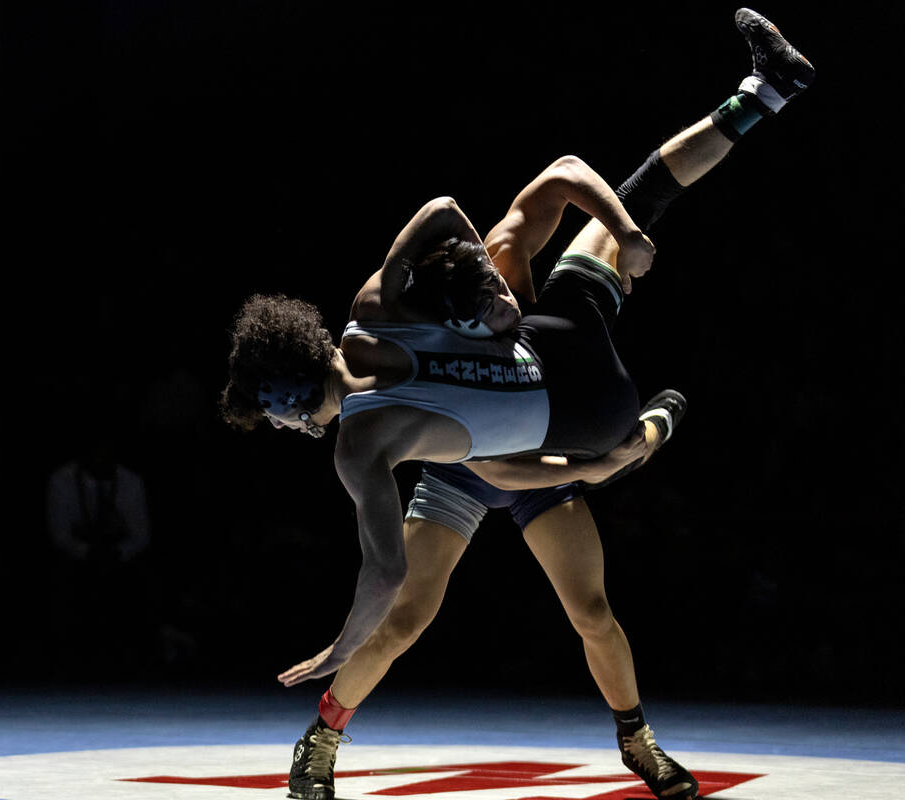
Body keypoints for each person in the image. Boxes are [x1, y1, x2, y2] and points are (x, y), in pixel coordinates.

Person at [222, 9, 813, 800]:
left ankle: (636, 737)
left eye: (284, 417)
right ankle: (322, 741)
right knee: (411, 613)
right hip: (487, 456)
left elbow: (553, 186)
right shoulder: (406, 305)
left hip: (538, 423)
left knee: (592, 606)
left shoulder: (476, 283)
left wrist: (620, 234)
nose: (293, 430)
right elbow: (483, 216)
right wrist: (600, 452)